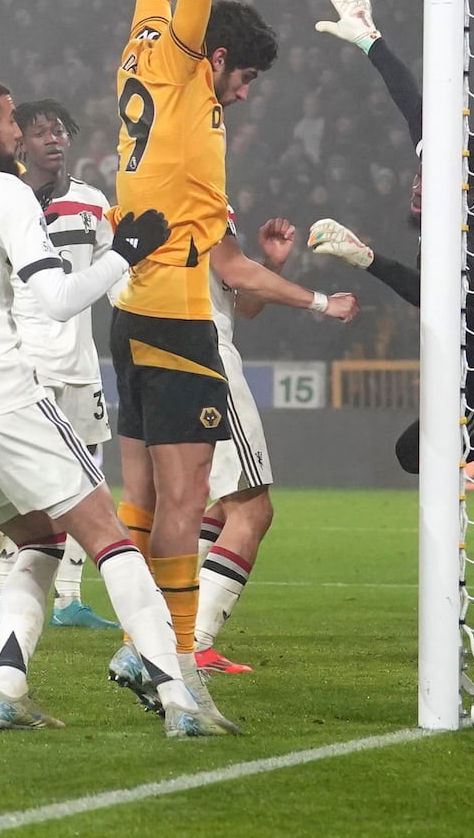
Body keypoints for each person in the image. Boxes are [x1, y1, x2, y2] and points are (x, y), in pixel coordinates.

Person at [0, 72, 233, 736]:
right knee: (106, 535)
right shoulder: (4, 191)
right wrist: (127, 252)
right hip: (0, 394)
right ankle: (181, 698)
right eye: (13, 121)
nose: (19, 132)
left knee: (39, 539)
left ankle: (8, 688)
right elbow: (60, 299)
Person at [104, 0, 279, 714]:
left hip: (128, 301)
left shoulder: (142, 44)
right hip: (175, 306)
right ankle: (172, 664)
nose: (242, 93)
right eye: (241, 78)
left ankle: (139, 643)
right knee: (185, 495)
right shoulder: (180, 65)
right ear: (214, 55)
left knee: (142, 496)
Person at [307, 0, 474, 473]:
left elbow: (433, 295)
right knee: (412, 455)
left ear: (455, 180)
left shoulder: (461, 226)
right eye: (421, 173)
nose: (417, 184)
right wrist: (370, 41)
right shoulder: (453, 204)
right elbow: (413, 107)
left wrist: (366, 259)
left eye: (428, 176)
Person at [0, 98, 122, 633]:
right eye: (41, 132)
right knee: (16, 481)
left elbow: (115, 270)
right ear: (21, 143)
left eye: (60, 130)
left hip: (80, 364)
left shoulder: (90, 203)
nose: (54, 140)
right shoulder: (6, 200)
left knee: (89, 477)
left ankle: (69, 599)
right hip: (26, 361)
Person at [191, 211, 359, 674]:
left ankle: (169, 624)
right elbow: (236, 272)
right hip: (205, 355)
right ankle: (195, 641)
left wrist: (271, 264)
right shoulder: (200, 194)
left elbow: (240, 300)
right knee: (252, 509)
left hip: (167, 352)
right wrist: (323, 302)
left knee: (220, 506)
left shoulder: (164, 187)